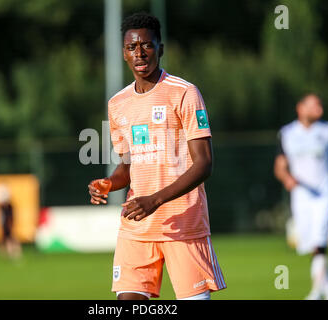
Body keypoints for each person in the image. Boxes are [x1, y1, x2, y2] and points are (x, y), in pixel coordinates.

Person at [88, 12, 226, 300]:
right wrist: (110, 183)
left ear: (160, 49)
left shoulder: (185, 93)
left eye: (147, 45)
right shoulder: (118, 104)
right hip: (137, 226)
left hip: (183, 224)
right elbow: (128, 164)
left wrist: (155, 199)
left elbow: (204, 163)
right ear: (123, 53)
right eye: (131, 47)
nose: (139, 53)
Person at [274, 94, 328, 300]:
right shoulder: (287, 133)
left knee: (320, 241)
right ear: (300, 108)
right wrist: (287, 179)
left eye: (320, 104)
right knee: (312, 244)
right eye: (313, 105)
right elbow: (280, 165)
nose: (318, 108)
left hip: (323, 193)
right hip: (301, 195)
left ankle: (316, 291)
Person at [0, 183, 22, 259]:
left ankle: (14, 254)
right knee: (4, 239)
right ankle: (6, 255)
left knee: (10, 238)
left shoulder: (9, 207)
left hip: (7, 224)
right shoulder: (0, 207)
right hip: (4, 224)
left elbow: (10, 216)